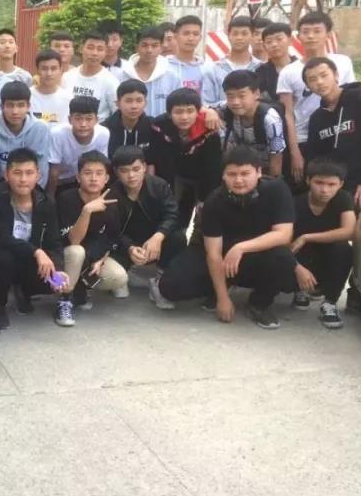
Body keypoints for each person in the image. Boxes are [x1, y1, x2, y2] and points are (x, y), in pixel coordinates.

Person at [157, 146, 297, 329]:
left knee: (285, 262)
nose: (238, 180)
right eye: (232, 174)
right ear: (223, 175)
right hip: (220, 254)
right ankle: (220, 287)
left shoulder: (277, 189)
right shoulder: (214, 201)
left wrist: (241, 248)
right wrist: (222, 298)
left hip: (256, 252)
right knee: (170, 287)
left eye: (245, 173)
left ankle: (259, 303)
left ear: (258, 172)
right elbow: (213, 253)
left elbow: (283, 234)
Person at [0, 148, 67, 328]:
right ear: (6, 175)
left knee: (53, 279)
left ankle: (24, 291)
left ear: (38, 175)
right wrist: (37, 252)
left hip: (30, 259)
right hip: (3, 255)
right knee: (4, 259)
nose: (23, 179)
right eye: (17, 173)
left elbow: (54, 241)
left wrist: (58, 270)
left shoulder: (46, 203)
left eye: (29, 173)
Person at [276, 11, 355, 183]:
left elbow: (350, 99)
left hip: (338, 134)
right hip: (304, 138)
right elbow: (287, 113)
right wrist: (295, 151)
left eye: (317, 31)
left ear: (329, 34)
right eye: (305, 31)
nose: (311, 36)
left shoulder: (343, 63)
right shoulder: (288, 72)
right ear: (298, 36)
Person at [301, 57, 361, 207]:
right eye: (312, 79)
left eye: (324, 75)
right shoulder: (317, 118)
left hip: (360, 185)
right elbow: (314, 156)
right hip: (332, 188)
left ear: (336, 75)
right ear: (308, 86)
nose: (319, 82)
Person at [55, 151, 128, 326]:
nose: (94, 178)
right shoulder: (66, 198)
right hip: (64, 258)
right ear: (78, 177)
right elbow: (73, 240)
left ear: (106, 178)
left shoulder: (112, 203)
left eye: (99, 173)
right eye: (88, 173)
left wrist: (101, 260)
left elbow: (112, 238)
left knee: (119, 277)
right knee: (76, 251)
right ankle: (64, 299)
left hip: (93, 255)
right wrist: (87, 210)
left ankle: (82, 287)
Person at [110, 146, 184, 309]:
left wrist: (158, 236)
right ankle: (126, 273)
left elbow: (172, 214)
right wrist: (129, 247)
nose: (131, 175)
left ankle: (159, 280)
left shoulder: (159, 185)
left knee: (178, 237)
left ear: (144, 167)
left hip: (153, 236)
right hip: (127, 241)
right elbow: (112, 230)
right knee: (118, 287)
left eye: (136, 169)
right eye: (124, 171)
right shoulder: (112, 193)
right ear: (116, 172)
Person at [291, 158, 356, 329]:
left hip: (328, 252)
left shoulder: (343, 199)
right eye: (319, 183)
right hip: (300, 255)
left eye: (331, 184)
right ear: (308, 181)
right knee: (285, 252)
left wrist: (306, 237)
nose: (325, 189)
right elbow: (284, 239)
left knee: (344, 249)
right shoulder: (296, 202)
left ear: (340, 184)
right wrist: (297, 267)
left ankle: (330, 303)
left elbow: (348, 231)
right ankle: (298, 290)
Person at [147, 88, 222, 232]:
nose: (184, 117)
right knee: (174, 216)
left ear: (198, 112)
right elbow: (154, 156)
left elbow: (213, 167)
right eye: (178, 112)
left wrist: (205, 199)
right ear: (169, 113)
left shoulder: (209, 129)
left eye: (190, 111)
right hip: (175, 175)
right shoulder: (160, 126)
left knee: (204, 216)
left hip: (202, 177)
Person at [0, 80, 50, 186]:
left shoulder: (40, 129)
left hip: (32, 190)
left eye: (21, 105)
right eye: (10, 105)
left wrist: (32, 192)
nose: (15, 111)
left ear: (28, 106)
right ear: (1, 106)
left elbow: (42, 169)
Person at [218, 69, 285, 176]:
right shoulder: (227, 107)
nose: (235, 102)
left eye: (242, 95)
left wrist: (272, 182)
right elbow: (204, 108)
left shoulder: (271, 119)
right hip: (238, 168)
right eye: (230, 96)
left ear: (256, 94)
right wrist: (210, 113)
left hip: (264, 169)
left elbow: (276, 159)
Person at [46, 96, 109, 195]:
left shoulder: (103, 134)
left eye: (89, 119)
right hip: (61, 182)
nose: (83, 124)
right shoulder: (57, 134)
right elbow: (54, 170)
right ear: (70, 119)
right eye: (78, 118)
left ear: (96, 120)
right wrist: (50, 197)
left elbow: (100, 164)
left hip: (87, 180)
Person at [121, 25, 179, 118]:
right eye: (144, 45)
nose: (149, 50)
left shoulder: (172, 75)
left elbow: (178, 106)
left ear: (161, 47)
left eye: (154, 45)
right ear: (136, 47)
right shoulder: (124, 74)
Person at [202, 16, 259, 110]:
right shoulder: (213, 69)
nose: (239, 38)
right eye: (235, 34)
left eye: (244, 33)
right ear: (228, 36)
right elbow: (206, 104)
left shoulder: (261, 68)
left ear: (252, 36)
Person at [61, 31, 119, 121]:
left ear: (106, 52)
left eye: (100, 49)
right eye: (90, 48)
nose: (94, 53)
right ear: (81, 48)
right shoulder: (67, 77)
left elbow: (117, 114)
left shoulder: (111, 82)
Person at [103, 79, 154, 157]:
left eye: (139, 101)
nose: (134, 106)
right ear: (118, 103)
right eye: (128, 101)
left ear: (145, 103)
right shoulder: (105, 129)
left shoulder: (153, 127)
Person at [254, 22, 295, 106]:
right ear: (264, 46)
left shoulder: (302, 68)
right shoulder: (260, 72)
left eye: (279, 39)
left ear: (290, 40)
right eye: (269, 42)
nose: (274, 44)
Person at [167, 15, 208, 95]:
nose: (191, 38)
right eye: (186, 33)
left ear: (200, 37)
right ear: (176, 36)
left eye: (195, 34)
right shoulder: (164, 67)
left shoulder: (207, 69)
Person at [30, 49, 72, 126]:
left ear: (60, 70)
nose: (49, 73)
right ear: (37, 70)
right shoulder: (28, 96)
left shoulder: (68, 99)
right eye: (44, 69)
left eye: (53, 69)